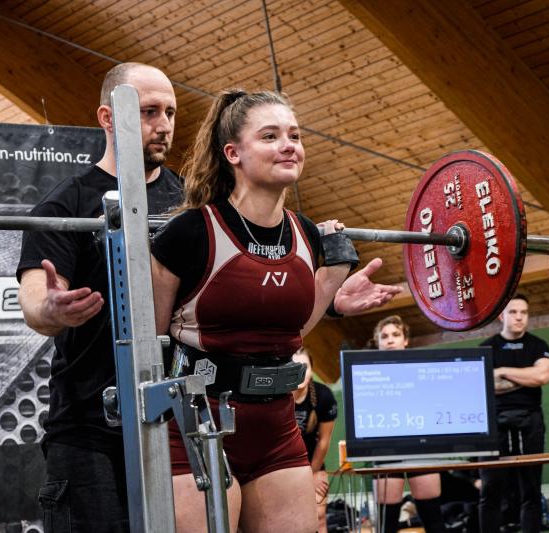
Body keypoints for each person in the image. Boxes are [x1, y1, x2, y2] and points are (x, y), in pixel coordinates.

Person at [150, 88, 400, 532]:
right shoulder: (191, 232)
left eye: (294, 136)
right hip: (197, 420)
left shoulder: (306, 233)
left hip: (276, 425)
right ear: (233, 153)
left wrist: (332, 284)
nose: (288, 145)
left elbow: (291, 333)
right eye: (270, 136)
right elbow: (149, 343)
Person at [16, 62, 184, 533]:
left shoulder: (192, 203)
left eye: (170, 112)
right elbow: (35, 301)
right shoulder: (64, 205)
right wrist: (51, 308)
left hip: (176, 422)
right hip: (89, 431)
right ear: (108, 118)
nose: (164, 125)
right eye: (149, 111)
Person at [478, 294, 549, 533]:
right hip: (493, 423)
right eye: (513, 312)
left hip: (531, 421)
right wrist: (525, 377)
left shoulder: (538, 345)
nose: (519, 317)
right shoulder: (487, 348)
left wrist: (501, 371)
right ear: (502, 316)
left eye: (524, 312)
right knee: (490, 491)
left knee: (531, 490)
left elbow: (542, 376)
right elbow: (482, 384)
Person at [372, 315, 446, 533]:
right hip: (385, 448)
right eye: (384, 336)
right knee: (386, 524)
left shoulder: (422, 369)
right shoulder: (369, 373)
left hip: (420, 446)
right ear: (378, 343)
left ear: (405, 340)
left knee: (433, 519)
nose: (390, 340)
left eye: (396, 335)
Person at [292, 348, 338, 533]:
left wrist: (312, 473)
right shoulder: (276, 397)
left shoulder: (323, 395)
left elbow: (324, 441)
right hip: (281, 466)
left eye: (305, 367)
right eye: (295, 367)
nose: (301, 372)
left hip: (313, 463)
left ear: (312, 370)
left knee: (318, 517)